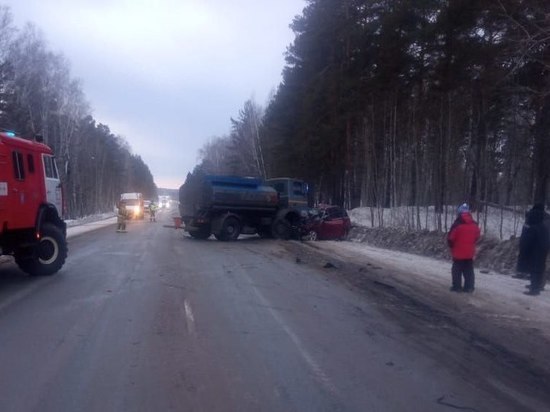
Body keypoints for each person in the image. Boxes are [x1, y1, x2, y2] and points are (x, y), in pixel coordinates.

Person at [516, 203, 550, 296]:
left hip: (534, 244)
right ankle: (537, 285)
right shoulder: (546, 218)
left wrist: (523, 247)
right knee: (540, 266)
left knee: (534, 266)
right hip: (544, 245)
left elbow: (527, 234)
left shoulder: (532, 217)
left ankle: (534, 288)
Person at [447, 203, 481, 293]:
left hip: (458, 252)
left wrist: (451, 246)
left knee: (456, 269)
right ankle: (469, 287)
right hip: (470, 252)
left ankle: (457, 287)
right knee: (469, 269)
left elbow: (450, 238)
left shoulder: (457, 224)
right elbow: (477, 236)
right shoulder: (474, 224)